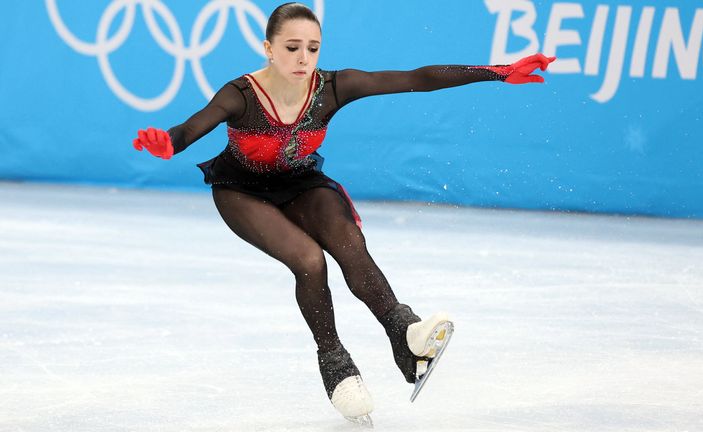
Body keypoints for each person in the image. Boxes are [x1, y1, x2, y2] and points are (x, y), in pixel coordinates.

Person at [132, 2, 556, 425]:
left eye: (312, 48)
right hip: (242, 193)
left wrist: (496, 72)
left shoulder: (333, 87)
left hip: (301, 183)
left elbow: (416, 79)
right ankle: (335, 365)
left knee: (349, 244)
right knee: (309, 261)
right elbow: (190, 129)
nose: (303, 59)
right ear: (269, 48)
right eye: (292, 47)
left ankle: (403, 332)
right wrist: (167, 144)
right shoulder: (240, 95)